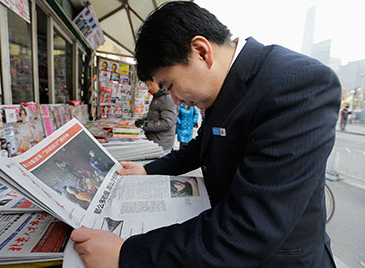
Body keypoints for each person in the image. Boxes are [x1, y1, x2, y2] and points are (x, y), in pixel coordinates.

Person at [71, 2, 341, 267]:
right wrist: (148, 170)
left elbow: (251, 226)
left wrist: (128, 254)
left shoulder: (298, 83)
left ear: (201, 52)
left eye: (171, 85)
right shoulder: (222, 86)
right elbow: (204, 145)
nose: (175, 101)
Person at [134, 80, 177, 151]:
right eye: (147, 85)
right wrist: (143, 121)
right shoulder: (158, 97)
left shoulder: (167, 99)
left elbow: (167, 123)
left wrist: (145, 125)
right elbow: (154, 117)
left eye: (151, 84)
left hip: (161, 144)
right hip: (155, 141)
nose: (149, 88)